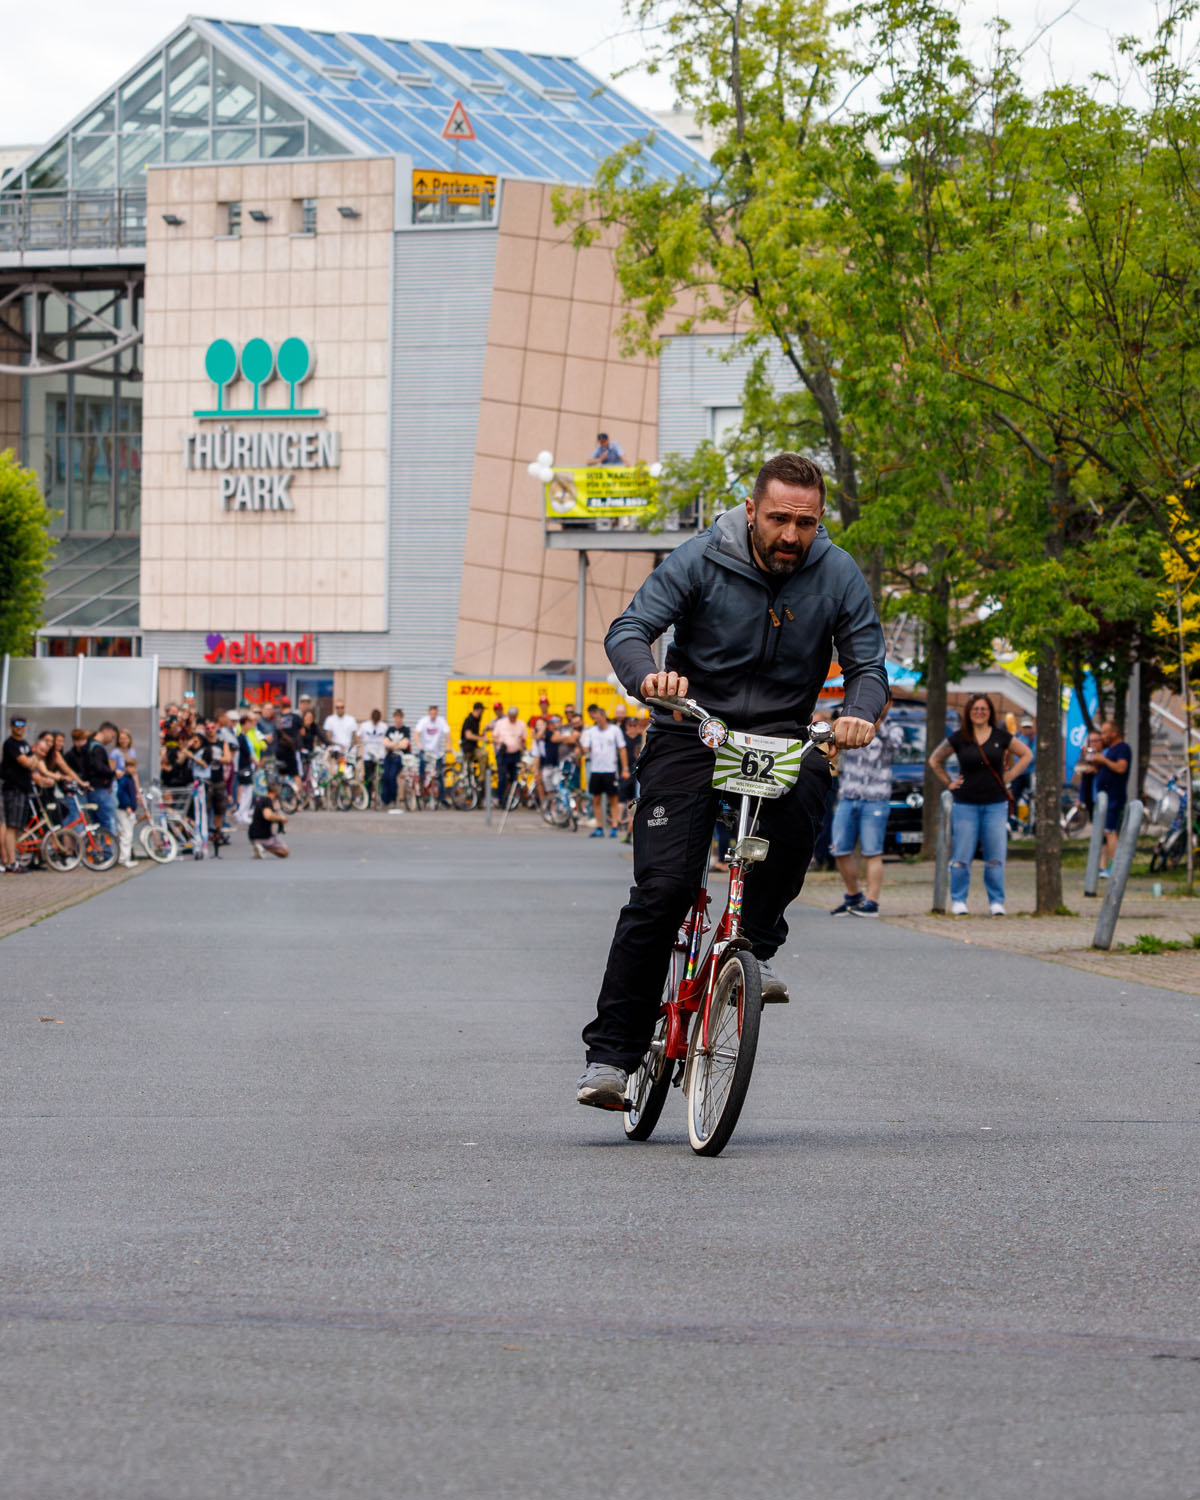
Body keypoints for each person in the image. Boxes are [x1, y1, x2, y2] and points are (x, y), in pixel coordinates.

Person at [576, 452, 889, 1109]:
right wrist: (649, 678)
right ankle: (612, 1055)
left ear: (819, 520)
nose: (789, 536)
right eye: (778, 519)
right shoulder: (701, 558)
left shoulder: (837, 574)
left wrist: (858, 713)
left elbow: (867, 662)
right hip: (692, 729)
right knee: (663, 891)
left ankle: (756, 942)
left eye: (804, 523)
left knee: (810, 783)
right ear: (752, 511)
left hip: (779, 735)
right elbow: (630, 629)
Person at [928, 694, 1033, 916]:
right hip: (965, 803)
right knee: (962, 855)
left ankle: (996, 902)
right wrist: (949, 782)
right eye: (975, 708)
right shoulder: (959, 738)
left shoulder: (1001, 736)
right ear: (968, 712)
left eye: (984, 709)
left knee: (995, 856)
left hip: (995, 803)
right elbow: (935, 760)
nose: (979, 712)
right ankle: (958, 900)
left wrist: (1010, 775)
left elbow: (1026, 754)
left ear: (990, 713)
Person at [828, 695, 903, 917]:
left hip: (875, 798)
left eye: (884, 702)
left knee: (872, 851)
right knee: (839, 849)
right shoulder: (850, 720)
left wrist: (876, 724)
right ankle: (854, 896)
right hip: (848, 794)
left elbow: (895, 747)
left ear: (889, 704)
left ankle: (872, 902)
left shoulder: (894, 727)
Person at [1089, 720, 1132, 875]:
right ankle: (1103, 867)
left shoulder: (1123, 748)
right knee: (1103, 831)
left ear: (1115, 732)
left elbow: (1121, 768)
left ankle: (1115, 867)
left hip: (1114, 796)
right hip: (1104, 797)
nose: (1103, 736)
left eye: (1105, 733)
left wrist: (1104, 760)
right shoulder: (1109, 749)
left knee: (1110, 830)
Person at [580, 704, 628, 838]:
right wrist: (583, 750)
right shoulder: (591, 732)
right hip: (596, 770)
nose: (596, 719)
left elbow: (622, 749)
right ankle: (599, 827)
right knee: (596, 799)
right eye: (594, 718)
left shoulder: (615, 730)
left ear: (603, 716)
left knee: (613, 799)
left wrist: (624, 768)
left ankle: (614, 827)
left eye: (598, 717)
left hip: (610, 770)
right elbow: (585, 748)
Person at [2, 717, 36, 872]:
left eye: (22, 725)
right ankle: (11, 862)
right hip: (12, 789)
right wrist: (34, 757)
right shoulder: (11, 744)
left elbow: (32, 764)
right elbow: (27, 763)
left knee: (16, 828)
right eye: (16, 725)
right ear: (11, 727)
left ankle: (12, 860)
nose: (19, 728)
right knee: (11, 826)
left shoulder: (25, 745)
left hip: (23, 789)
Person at [85, 722, 120, 837]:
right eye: (112, 736)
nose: (111, 740)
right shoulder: (97, 748)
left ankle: (99, 852)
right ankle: (109, 853)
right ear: (106, 731)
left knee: (96, 824)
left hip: (92, 790)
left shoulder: (89, 745)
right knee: (107, 823)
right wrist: (113, 772)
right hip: (100, 790)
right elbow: (99, 767)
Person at [414, 704, 452, 808]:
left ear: (437, 713)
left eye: (435, 713)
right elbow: (416, 733)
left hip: (437, 753)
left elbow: (447, 734)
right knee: (422, 772)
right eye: (431, 713)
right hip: (425, 751)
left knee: (439, 775)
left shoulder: (441, 721)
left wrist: (449, 746)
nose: (433, 715)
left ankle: (441, 798)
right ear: (429, 713)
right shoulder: (424, 721)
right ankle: (421, 792)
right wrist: (419, 745)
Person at [114, 728, 140, 866]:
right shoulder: (124, 779)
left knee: (127, 832)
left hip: (128, 807)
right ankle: (124, 859)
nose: (132, 770)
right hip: (124, 808)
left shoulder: (129, 778)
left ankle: (125, 857)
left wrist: (135, 801)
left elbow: (131, 793)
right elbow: (122, 794)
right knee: (126, 833)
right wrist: (128, 806)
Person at [491, 705, 527, 807]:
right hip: (503, 754)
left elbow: (523, 740)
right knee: (502, 777)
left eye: (514, 716)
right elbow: (494, 737)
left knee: (513, 778)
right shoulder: (500, 723)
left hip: (515, 754)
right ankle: (500, 799)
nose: (512, 718)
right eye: (511, 716)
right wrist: (501, 743)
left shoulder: (521, 724)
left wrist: (523, 750)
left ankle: (511, 799)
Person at [249, 777, 290, 859]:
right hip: (263, 835)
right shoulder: (267, 801)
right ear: (276, 791)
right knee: (285, 852)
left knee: (284, 849)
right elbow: (267, 816)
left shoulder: (262, 800)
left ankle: (260, 846)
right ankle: (262, 846)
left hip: (253, 834)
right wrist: (281, 819)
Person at [381, 709, 412, 813]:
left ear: (402, 718)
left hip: (399, 757)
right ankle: (385, 800)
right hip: (389, 756)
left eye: (399, 718)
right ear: (394, 718)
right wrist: (396, 745)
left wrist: (392, 744)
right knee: (385, 776)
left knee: (392, 776)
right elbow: (385, 742)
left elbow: (405, 744)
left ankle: (394, 799)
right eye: (396, 717)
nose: (397, 720)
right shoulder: (390, 729)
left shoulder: (405, 730)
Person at [1074, 728, 1102, 826]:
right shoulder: (1087, 754)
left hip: (1101, 796)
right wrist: (1080, 799)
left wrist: (1096, 770)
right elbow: (1079, 769)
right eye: (1090, 741)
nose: (1093, 744)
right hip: (1089, 795)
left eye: (1095, 741)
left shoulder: (1105, 754)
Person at [459, 701, 488, 796]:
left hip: (473, 748)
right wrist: (481, 738)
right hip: (468, 749)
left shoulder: (476, 720)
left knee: (482, 757)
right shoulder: (469, 720)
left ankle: (479, 780)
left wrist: (483, 732)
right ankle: (481, 778)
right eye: (482, 710)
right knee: (483, 754)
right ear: (479, 710)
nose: (483, 712)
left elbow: (475, 735)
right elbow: (468, 735)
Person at [359, 708, 388, 802]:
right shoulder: (365, 725)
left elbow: (386, 739)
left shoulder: (384, 726)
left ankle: (380, 798)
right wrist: (360, 745)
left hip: (380, 756)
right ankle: (367, 798)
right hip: (368, 755)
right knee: (368, 777)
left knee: (381, 777)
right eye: (374, 721)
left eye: (377, 721)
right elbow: (358, 735)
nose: (375, 723)